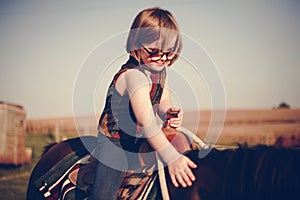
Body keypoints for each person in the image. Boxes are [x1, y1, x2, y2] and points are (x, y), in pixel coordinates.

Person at [89, 7, 197, 200]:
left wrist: (168, 113)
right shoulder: (133, 77)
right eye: (155, 51)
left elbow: (163, 100)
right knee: (105, 192)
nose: (163, 58)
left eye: (169, 52)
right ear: (136, 43)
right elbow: (147, 121)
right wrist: (171, 157)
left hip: (140, 140)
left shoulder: (161, 72)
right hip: (116, 142)